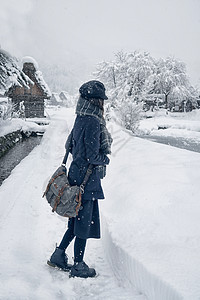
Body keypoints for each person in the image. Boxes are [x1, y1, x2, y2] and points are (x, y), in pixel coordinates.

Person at [48, 80, 112, 278]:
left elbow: (72, 147)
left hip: (76, 175)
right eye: (101, 100)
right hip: (87, 180)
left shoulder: (80, 117)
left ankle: (58, 255)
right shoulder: (93, 121)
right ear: (96, 101)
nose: (103, 104)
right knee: (84, 223)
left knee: (75, 221)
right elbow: (92, 155)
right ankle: (78, 264)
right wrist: (105, 159)